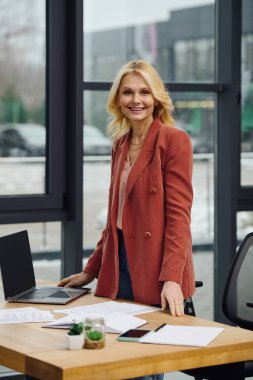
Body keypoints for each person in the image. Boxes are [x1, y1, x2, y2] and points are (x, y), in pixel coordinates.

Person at [58, 60, 195, 379]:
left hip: (157, 265)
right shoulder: (120, 145)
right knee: (112, 360)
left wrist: (172, 278)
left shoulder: (174, 141)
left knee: (143, 364)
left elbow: (179, 217)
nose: (137, 100)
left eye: (145, 92)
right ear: (118, 99)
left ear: (156, 98)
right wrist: (90, 270)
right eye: (129, 92)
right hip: (118, 264)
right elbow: (114, 221)